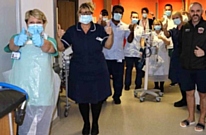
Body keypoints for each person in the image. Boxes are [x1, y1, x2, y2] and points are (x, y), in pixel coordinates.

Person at [57, 2, 113, 135]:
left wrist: (110, 35)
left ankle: (95, 123)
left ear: (92, 14)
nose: (85, 15)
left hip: (98, 68)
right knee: (82, 99)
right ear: (78, 14)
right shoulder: (72, 30)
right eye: (82, 13)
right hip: (79, 69)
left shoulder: (99, 29)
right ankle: (86, 123)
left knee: (96, 98)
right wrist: (58, 37)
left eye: (87, 13)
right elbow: (61, 47)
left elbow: (108, 46)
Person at [6, 9, 59, 135]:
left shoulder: (49, 40)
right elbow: (12, 46)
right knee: (21, 125)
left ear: (43, 24)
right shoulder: (19, 38)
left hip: (43, 92)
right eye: (32, 22)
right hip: (21, 91)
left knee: (42, 127)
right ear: (26, 24)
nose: (35, 25)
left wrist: (41, 42)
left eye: (38, 22)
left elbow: (49, 48)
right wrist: (18, 41)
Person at [179, 2, 206, 132]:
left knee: (202, 93)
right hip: (187, 67)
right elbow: (180, 46)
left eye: (197, 11)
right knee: (189, 93)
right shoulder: (185, 28)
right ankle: (190, 118)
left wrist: (205, 52)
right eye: (192, 11)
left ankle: (202, 120)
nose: (195, 14)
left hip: (201, 67)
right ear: (189, 13)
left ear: (201, 12)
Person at [102, 5, 133, 104]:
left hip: (119, 57)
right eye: (116, 12)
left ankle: (117, 96)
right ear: (112, 13)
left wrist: (132, 30)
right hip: (105, 56)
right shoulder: (105, 25)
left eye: (120, 13)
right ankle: (104, 96)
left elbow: (129, 40)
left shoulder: (125, 27)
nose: (118, 14)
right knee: (104, 79)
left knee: (118, 79)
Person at [163, 11, 187, 107]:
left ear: (181, 17)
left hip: (185, 56)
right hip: (176, 55)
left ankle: (188, 98)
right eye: (174, 18)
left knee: (185, 77)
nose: (175, 19)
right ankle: (184, 98)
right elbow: (168, 34)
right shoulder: (175, 30)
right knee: (178, 77)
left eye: (177, 17)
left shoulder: (187, 28)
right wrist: (164, 29)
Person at [124, 11, 144, 90]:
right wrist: (131, 30)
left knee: (139, 69)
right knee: (128, 69)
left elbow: (142, 40)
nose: (135, 19)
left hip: (137, 51)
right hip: (128, 51)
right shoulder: (126, 28)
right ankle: (127, 84)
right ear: (130, 18)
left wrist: (142, 49)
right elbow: (127, 40)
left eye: (136, 17)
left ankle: (138, 85)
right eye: (133, 17)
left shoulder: (140, 28)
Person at [150, 19, 170, 95]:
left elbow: (168, 42)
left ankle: (161, 86)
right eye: (155, 24)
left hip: (163, 53)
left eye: (158, 24)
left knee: (162, 70)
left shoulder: (164, 33)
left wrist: (162, 38)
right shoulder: (151, 34)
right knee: (155, 69)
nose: (157, 26)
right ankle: (156, 85)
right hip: (154, 54)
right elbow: (148, 43)